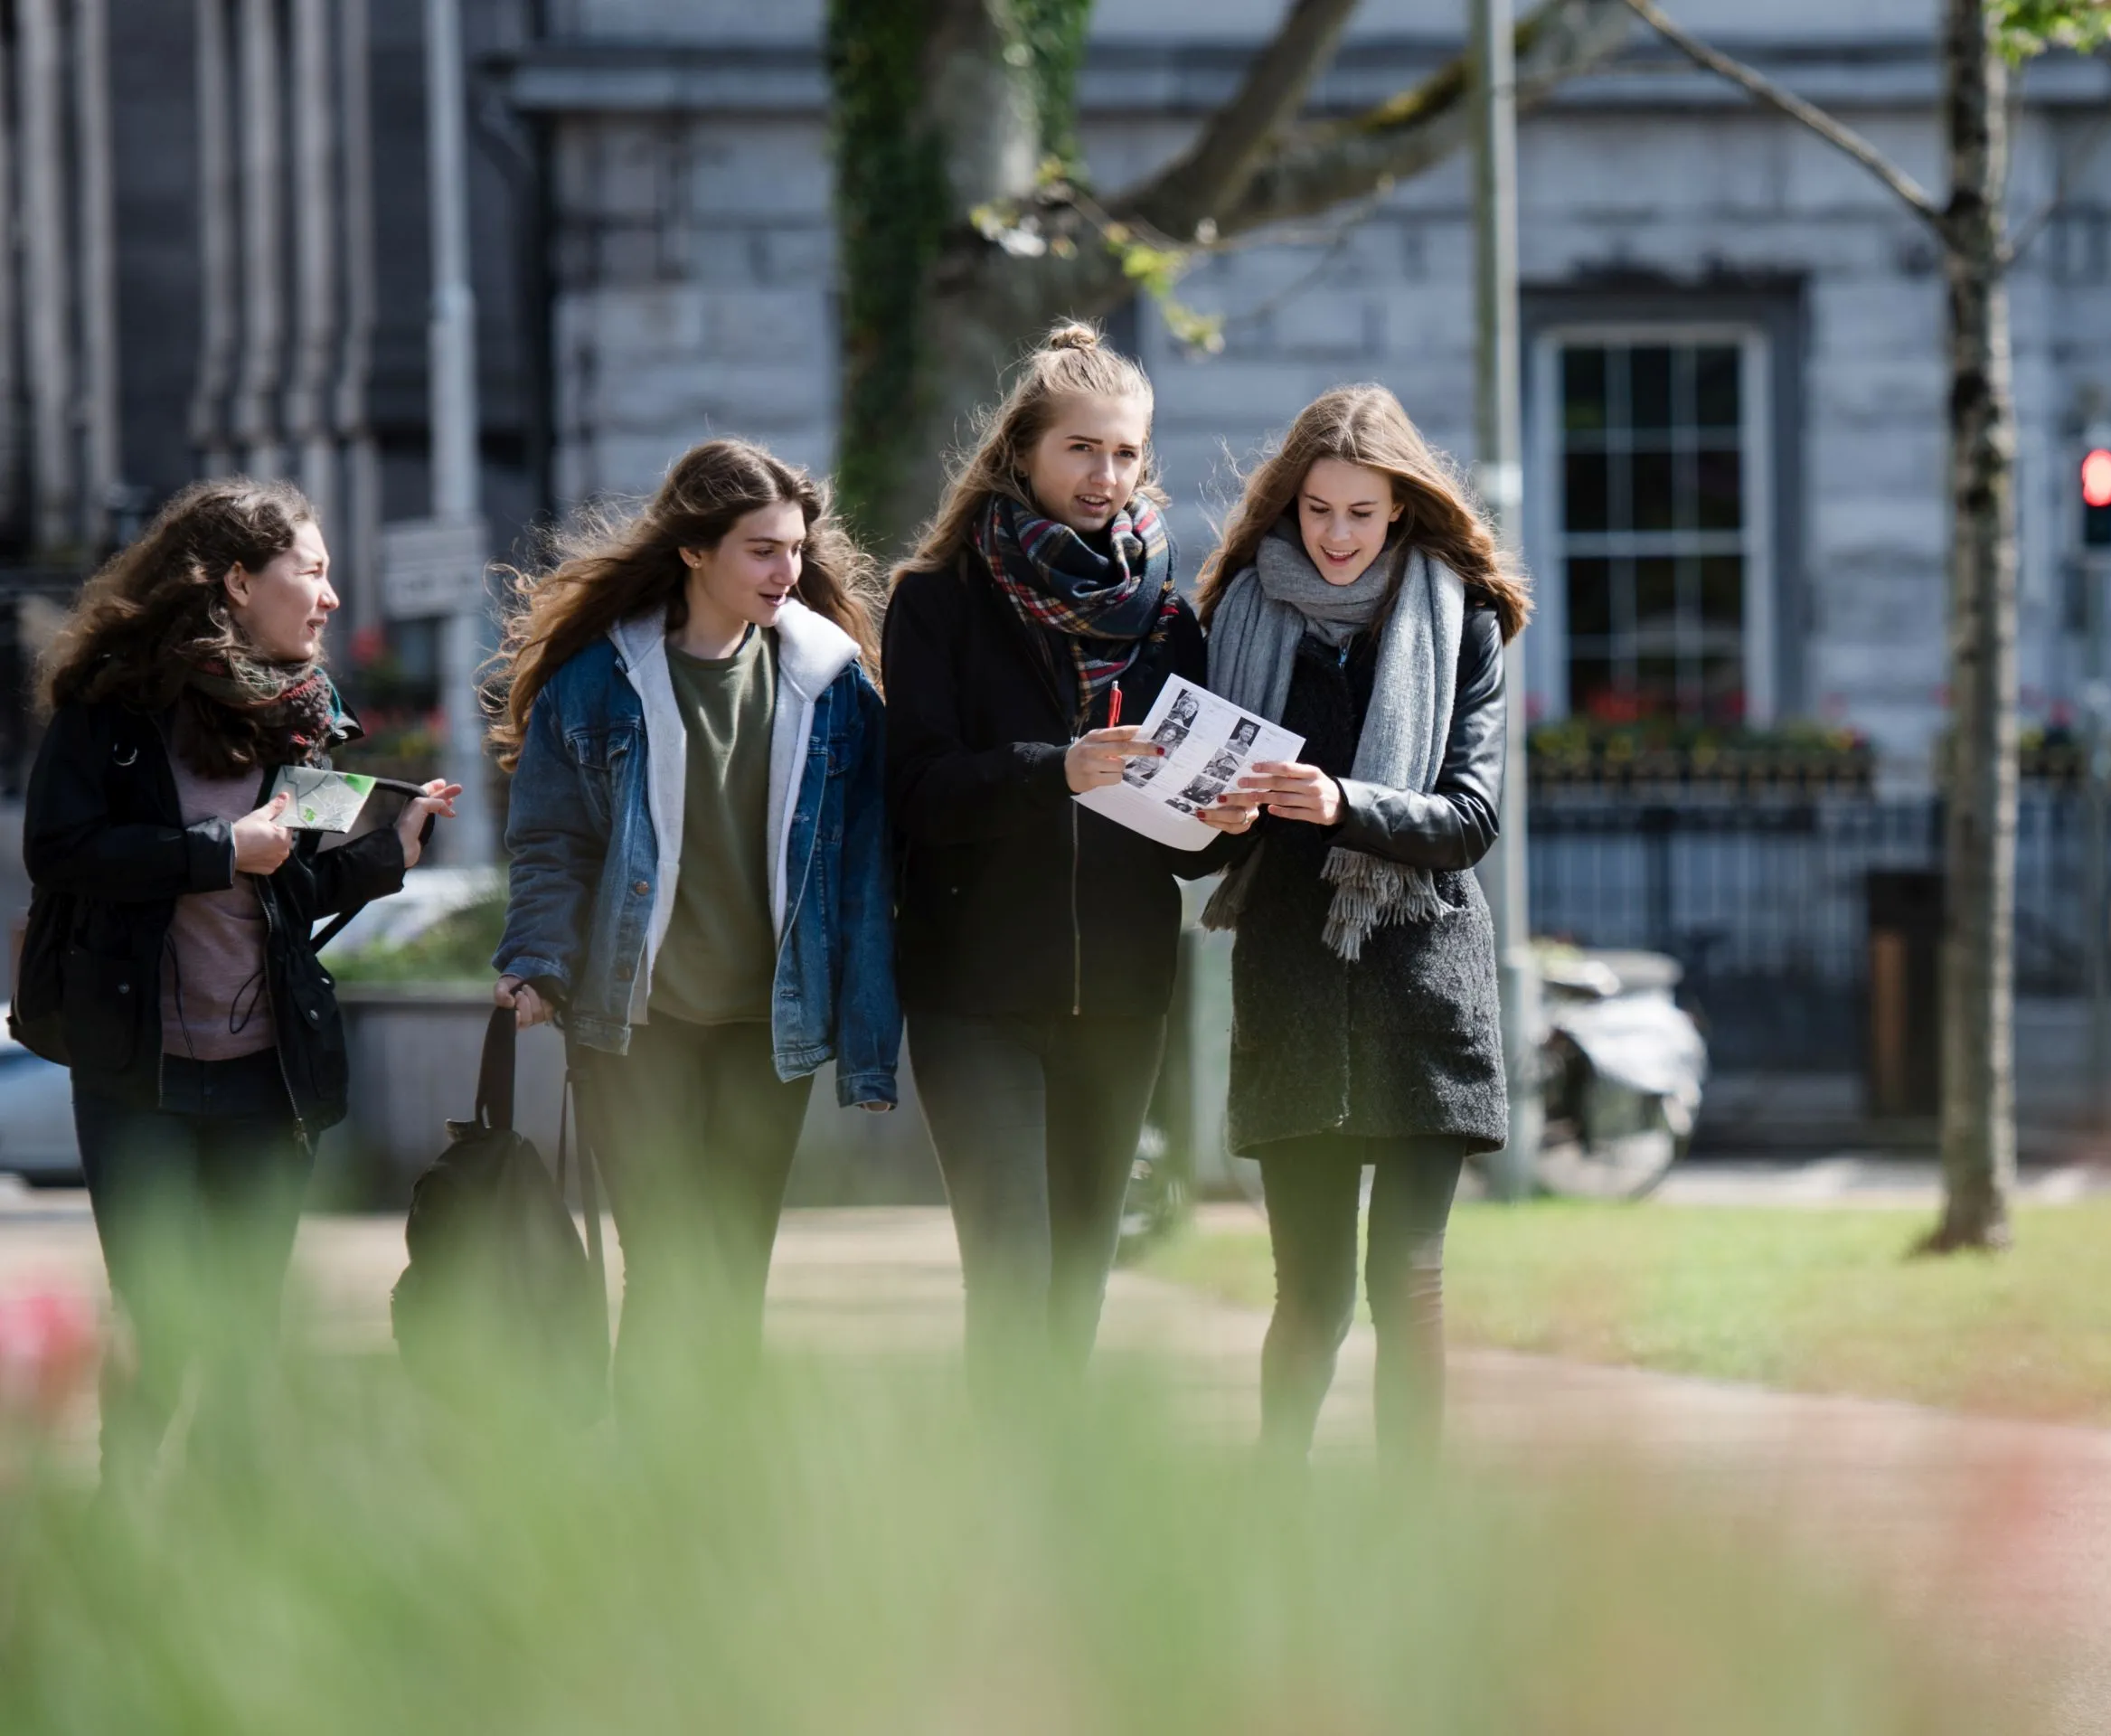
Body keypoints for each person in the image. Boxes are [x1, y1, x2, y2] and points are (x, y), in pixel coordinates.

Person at [13, 479, 459, 1483]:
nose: (333, 596)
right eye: (312, 569)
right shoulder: (113, 715)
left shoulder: (301, 718)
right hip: (143, 1073)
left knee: (251, 1337)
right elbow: (64, 850)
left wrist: (391, 854)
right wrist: (215, 851)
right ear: (236, 580)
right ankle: (127, 1515)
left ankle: (236, 1537)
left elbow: (288, 886)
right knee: (162, 1331)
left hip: (267, 1073)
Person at [488, 439, 897, 1410]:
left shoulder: (832, 686)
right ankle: (648, 1486)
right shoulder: (599, 684)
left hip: (770, 1030)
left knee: (732, 1275)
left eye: (795, 549)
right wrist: (537, 962)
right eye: (761, 550)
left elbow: (863, 871)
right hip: (638, 1027)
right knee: (668, 1267)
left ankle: (716, 1495)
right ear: (693, 552)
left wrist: (869, 1038)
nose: (786, 572)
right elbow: (551, 844)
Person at [881, 323, 1215, 1416]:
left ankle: (1052, 1516)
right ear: (1023, 449)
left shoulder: (1168, 617)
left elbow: (1194, 839)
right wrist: (1055, 771)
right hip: (974, 996)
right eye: (1081, 449)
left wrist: (1233, 808)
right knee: (1013, 1276)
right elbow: (919, 794)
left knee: (1078, 1284)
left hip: (1122, 1000)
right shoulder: (939, 601)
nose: (1104, 476)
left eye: (1124, 454)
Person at [1194, 384, 1531, 1467]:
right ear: (1286, 507)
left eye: (1361, 513)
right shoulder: (1236, 618)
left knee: (1408, 1281)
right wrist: (1206, 810)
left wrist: (1345, 804)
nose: (1336, 536)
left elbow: (1471, 819)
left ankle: (1405, 1533)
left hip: (1421, 985)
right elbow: (1194, 850)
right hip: (1291, 983)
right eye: (1317, 510)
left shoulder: (1460, 620)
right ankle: (1276, 1510)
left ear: (1400, 512)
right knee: (1314, 1295)